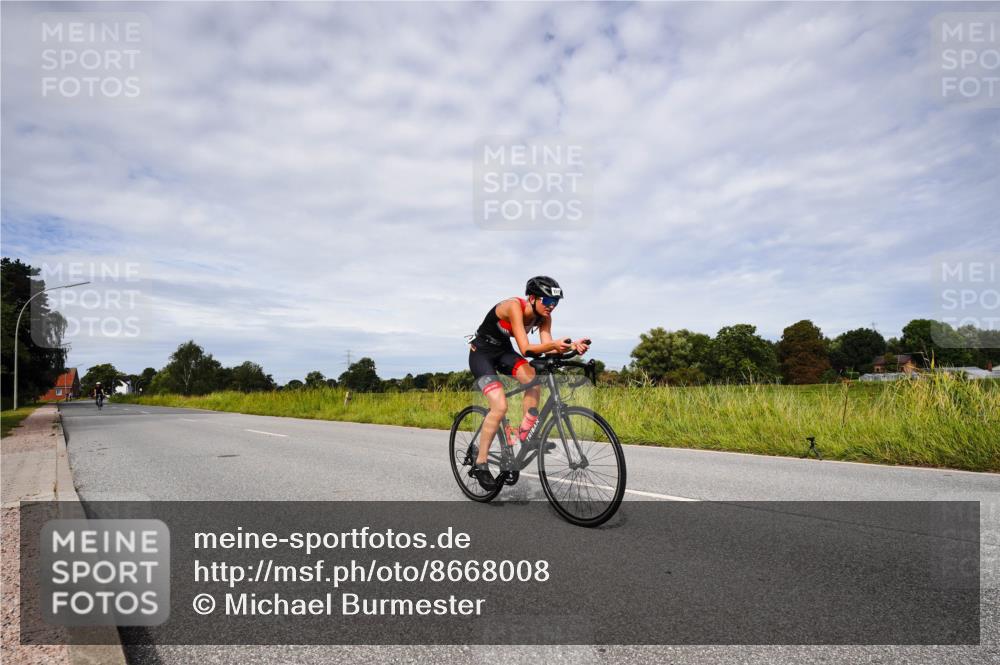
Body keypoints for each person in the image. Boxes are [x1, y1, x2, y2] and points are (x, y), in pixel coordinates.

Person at [467, 276, 589, 490]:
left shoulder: (544, 317)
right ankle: (481, 463)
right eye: (548, 301)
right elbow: (526, 348)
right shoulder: (514, 306)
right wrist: (555, 345)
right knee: (500, 406)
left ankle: (524, 433)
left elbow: (547, 346)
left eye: (555, 303)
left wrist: (571, 347)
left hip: (503, 352)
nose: (552, 307)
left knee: (534, 379)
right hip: (482, 354)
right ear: (532, 298)